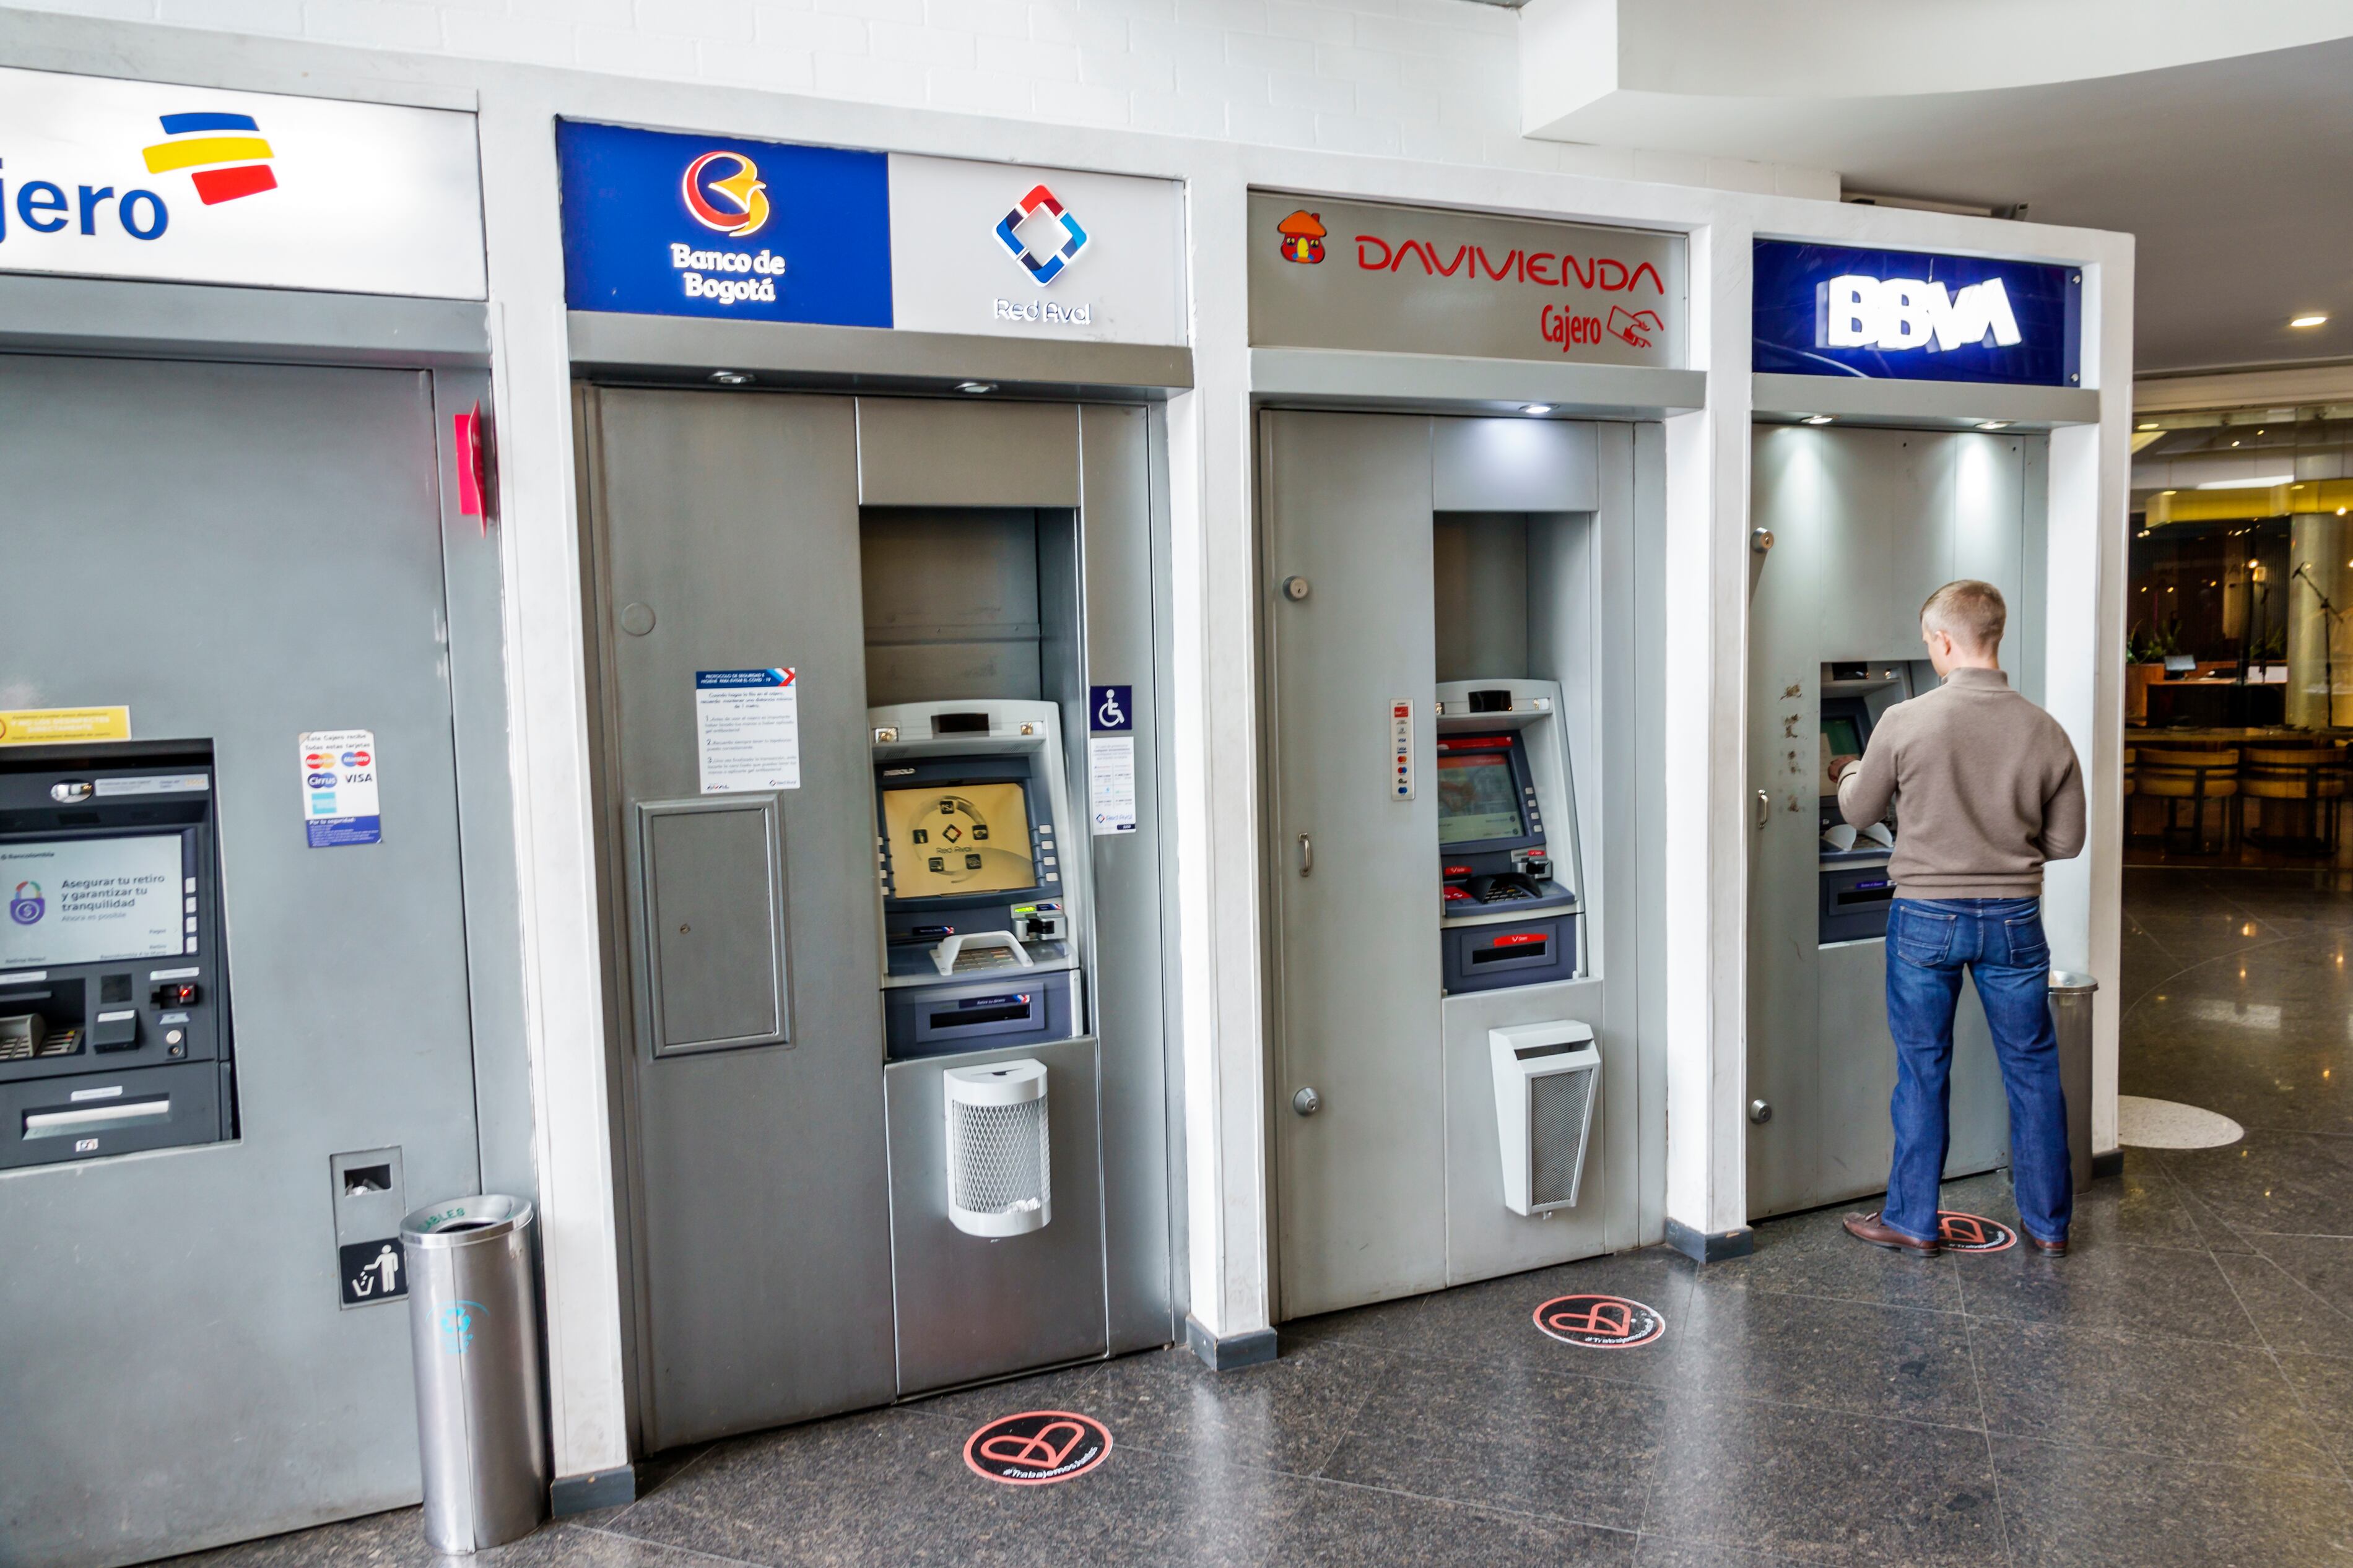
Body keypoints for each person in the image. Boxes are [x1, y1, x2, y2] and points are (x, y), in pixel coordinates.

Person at [1826, 580, 2086, 1257]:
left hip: (1923, 917)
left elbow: (1856, 811)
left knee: (1921, 1069)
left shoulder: (1904, 721)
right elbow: (2065, 843)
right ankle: (2049, 1226)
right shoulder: (2044, 729)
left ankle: (1911, 1219)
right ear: (1992, 635)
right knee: (2031, 1071)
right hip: (2013, 921)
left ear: (1942, 641)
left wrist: (1849, 767)